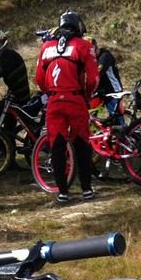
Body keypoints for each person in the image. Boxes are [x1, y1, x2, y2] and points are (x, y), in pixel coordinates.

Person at [34, 10, 98, 203]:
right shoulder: (84, 45)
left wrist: (50, 92)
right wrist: (87, 96)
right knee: (82, 144)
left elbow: (39, 78)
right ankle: (86, 189)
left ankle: (63, 192)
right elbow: (93, 79)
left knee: (57, 145)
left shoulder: (46, 47)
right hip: (75, 99)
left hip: (54, 101)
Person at [91, 39, 125, 124]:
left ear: (96, 47)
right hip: (100, 91)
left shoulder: (105, 56)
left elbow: (97, 74)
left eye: (91, 49)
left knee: (117, 120)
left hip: (112, 90)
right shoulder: (91, 58)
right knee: (90, 114)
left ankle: (127, 131)